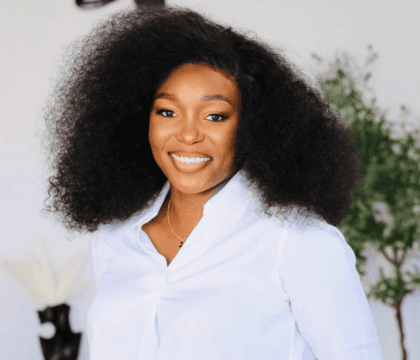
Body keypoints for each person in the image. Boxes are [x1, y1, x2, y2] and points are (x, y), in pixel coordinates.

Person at [39, 4, 383, 360]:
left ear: (251, 125)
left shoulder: (297, 241)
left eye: (215, 116)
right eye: (167, 112)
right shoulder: (115, 236)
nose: (188, 135)